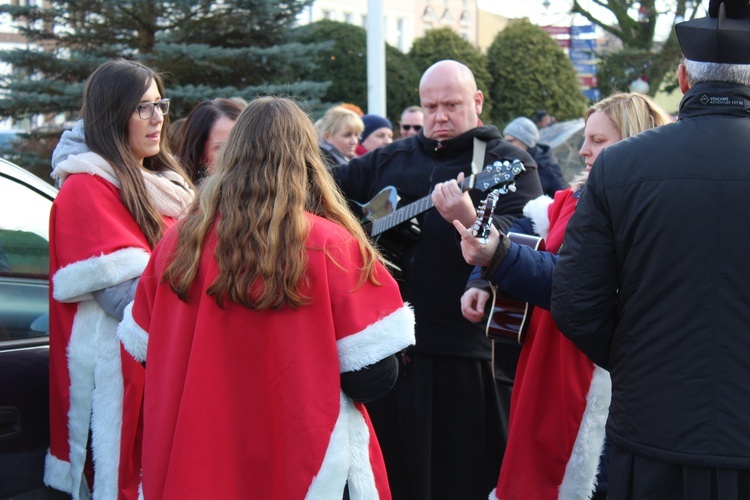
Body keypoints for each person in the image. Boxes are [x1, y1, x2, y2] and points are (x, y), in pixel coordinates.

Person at [116, 97, 415, 499]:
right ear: (307, 159)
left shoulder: (177, 242)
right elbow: (370, 377)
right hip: (302, 465)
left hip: (196, 461)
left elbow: (145, 351)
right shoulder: (331, 245)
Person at [551, 1, 750, 497]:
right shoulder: (620, 166)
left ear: (683, 78)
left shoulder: (620, 166)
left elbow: (577, 302)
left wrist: (645, 360)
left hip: (652, 426)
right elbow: (576, 301)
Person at [332, 59, 543, 500]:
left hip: (466, 351)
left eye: (451, 105)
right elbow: (327, 196)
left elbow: (526, 236)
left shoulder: (508, 162)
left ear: (477, 101)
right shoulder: (389, 158)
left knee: (462, 475)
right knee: (390, 474)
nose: (439, 117)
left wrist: (468, 216)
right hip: (389, 349)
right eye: (430, 107)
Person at [455, 92, 672, 500]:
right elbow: (525, 225)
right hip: (547, 356)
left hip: (591, 366)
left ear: (633, 140)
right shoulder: (572, 198)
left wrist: (499, 257)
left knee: (581, 477)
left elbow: (579, 280)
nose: (584, 149)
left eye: (598, 140)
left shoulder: (635, 209)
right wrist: (481, 279)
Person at [45, 59, 195, 499]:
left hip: (163, 368)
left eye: (160, 105)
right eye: (142, 108)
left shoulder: (162, 182)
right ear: (113, 114)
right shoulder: (86, 187)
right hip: (118, 382)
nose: (157, 119)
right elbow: (126, 299)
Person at [174, 98, 244, 183]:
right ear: (200, 155)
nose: (234, 153)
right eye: (221, 147)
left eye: (240, 143)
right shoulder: (183, 194)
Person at [503, 116, 568, 197]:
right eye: (504, 141)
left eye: (510, 141)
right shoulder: (505, 163)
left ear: (526, 142)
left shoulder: (548, 168)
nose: (505, 145)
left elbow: (563, 199)